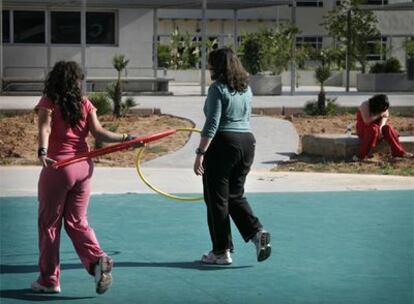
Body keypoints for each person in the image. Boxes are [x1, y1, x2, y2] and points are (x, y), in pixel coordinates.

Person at [32, 61, 138, 294]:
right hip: (84, 169)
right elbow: (99, 133)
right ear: (76, 81)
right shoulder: (84, 103)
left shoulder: (50, 100)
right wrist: (126, 137)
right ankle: (98, 259)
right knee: (77, 222)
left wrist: (42, 151)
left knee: (49, 225)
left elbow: (45, 128)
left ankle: (49, 280)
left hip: (59, 166)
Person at [193, 47, 271, 265]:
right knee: (235, 195)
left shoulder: (217, 88)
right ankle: (256, 233)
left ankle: (221, 251)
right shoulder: (245, 89)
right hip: (247, 143)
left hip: (224, 144)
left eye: (210, 63)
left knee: (216, 199)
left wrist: (200, 152)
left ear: (216, 66)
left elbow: (212, 122)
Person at [355, 94, 413, 160]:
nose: (384, 109)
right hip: (364, 128)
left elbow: (384, 120)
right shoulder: (365, 105)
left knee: (388, 128)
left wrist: (380, 129)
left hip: (377, 128)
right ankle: (360, 155)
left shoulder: (384, 107)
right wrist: (379, 115)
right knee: (373, 128)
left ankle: (399, 152)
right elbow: (367, 121)